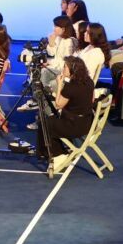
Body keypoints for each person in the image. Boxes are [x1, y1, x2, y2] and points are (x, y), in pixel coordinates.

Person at [42, 45, 96, 173]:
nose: (63, 68)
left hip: (75, 125)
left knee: (45, 123)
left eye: (65, 66)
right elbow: (92, 100)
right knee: (53, 120)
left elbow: (59, 104)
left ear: (72, 69)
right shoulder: (89, 81)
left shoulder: (70, 87)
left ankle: (58, 154)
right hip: (88, 122)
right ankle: (59, 150)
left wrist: (60, 85)